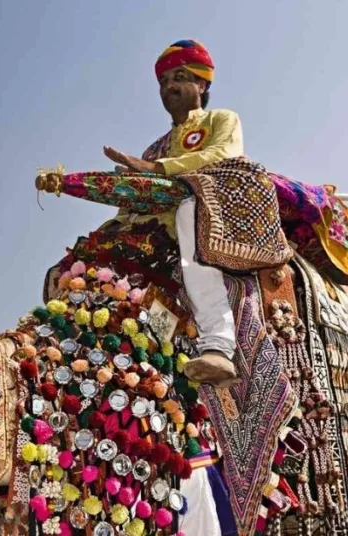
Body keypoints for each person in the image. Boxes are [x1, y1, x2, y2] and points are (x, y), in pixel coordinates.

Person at [103, 39, 240, 385]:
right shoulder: (154, 147)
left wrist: (157, 169)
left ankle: (218, 345)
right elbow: (128, 211)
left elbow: (224, 154)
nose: (170, 87)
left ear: (202, 83)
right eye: (164, 82)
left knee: (188, 208)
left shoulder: (221, 119)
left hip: (209, 217)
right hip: (154, 237)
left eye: (179, 77)